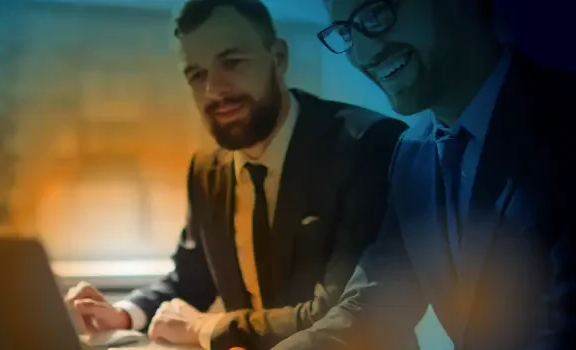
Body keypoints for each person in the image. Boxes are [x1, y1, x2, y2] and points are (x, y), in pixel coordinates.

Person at [65, 0, 408, 349]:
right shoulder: (206, 170)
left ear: (279, 58)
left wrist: (210, 328)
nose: (214, 89)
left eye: (232, 62)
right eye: (197, 75)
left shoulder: (366, 145)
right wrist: (125, 314)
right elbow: (190, 280)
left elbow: (340, 314)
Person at [273, 0, 576, 349]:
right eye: (345, 32)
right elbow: (377, 300)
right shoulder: (411, 153)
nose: (363, 53)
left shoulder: (564, 121)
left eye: (375, 13)